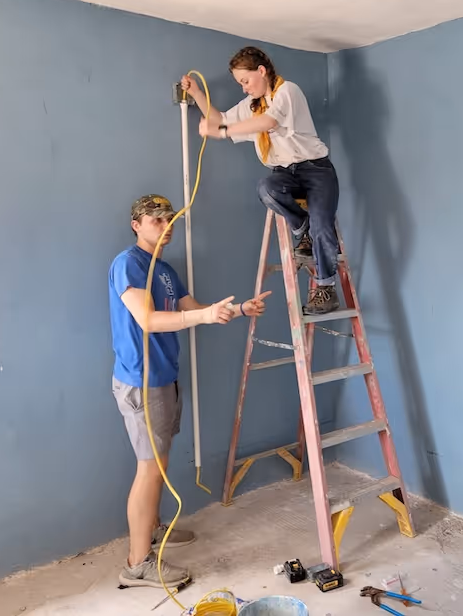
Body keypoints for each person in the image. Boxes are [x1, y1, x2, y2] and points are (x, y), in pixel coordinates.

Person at [109, 194, 270, 588]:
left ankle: (154, 529)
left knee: (159, 466)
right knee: (148, 471)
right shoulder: (127, 263)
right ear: (137, 224)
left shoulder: (164, 270)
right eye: (157, 221)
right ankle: (137, 564)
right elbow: (147, 319)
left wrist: (239, 310)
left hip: (166, 379)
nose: (166, 228)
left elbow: (196, 308)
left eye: (170, 221)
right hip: (142, 383)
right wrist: (202, 314)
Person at [181, 46, 340, 315]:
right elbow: (219, 118)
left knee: (323, 227)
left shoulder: (286, 92)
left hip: (316, 170)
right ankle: (302, 228)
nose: (243, 88)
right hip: (283, 174)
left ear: (262, 71)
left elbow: (267, 122)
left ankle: (325, 287)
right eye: (240, 84)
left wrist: (221, 131)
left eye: (245, 81)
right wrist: (196, 93)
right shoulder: (251, 106)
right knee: (267, 189)